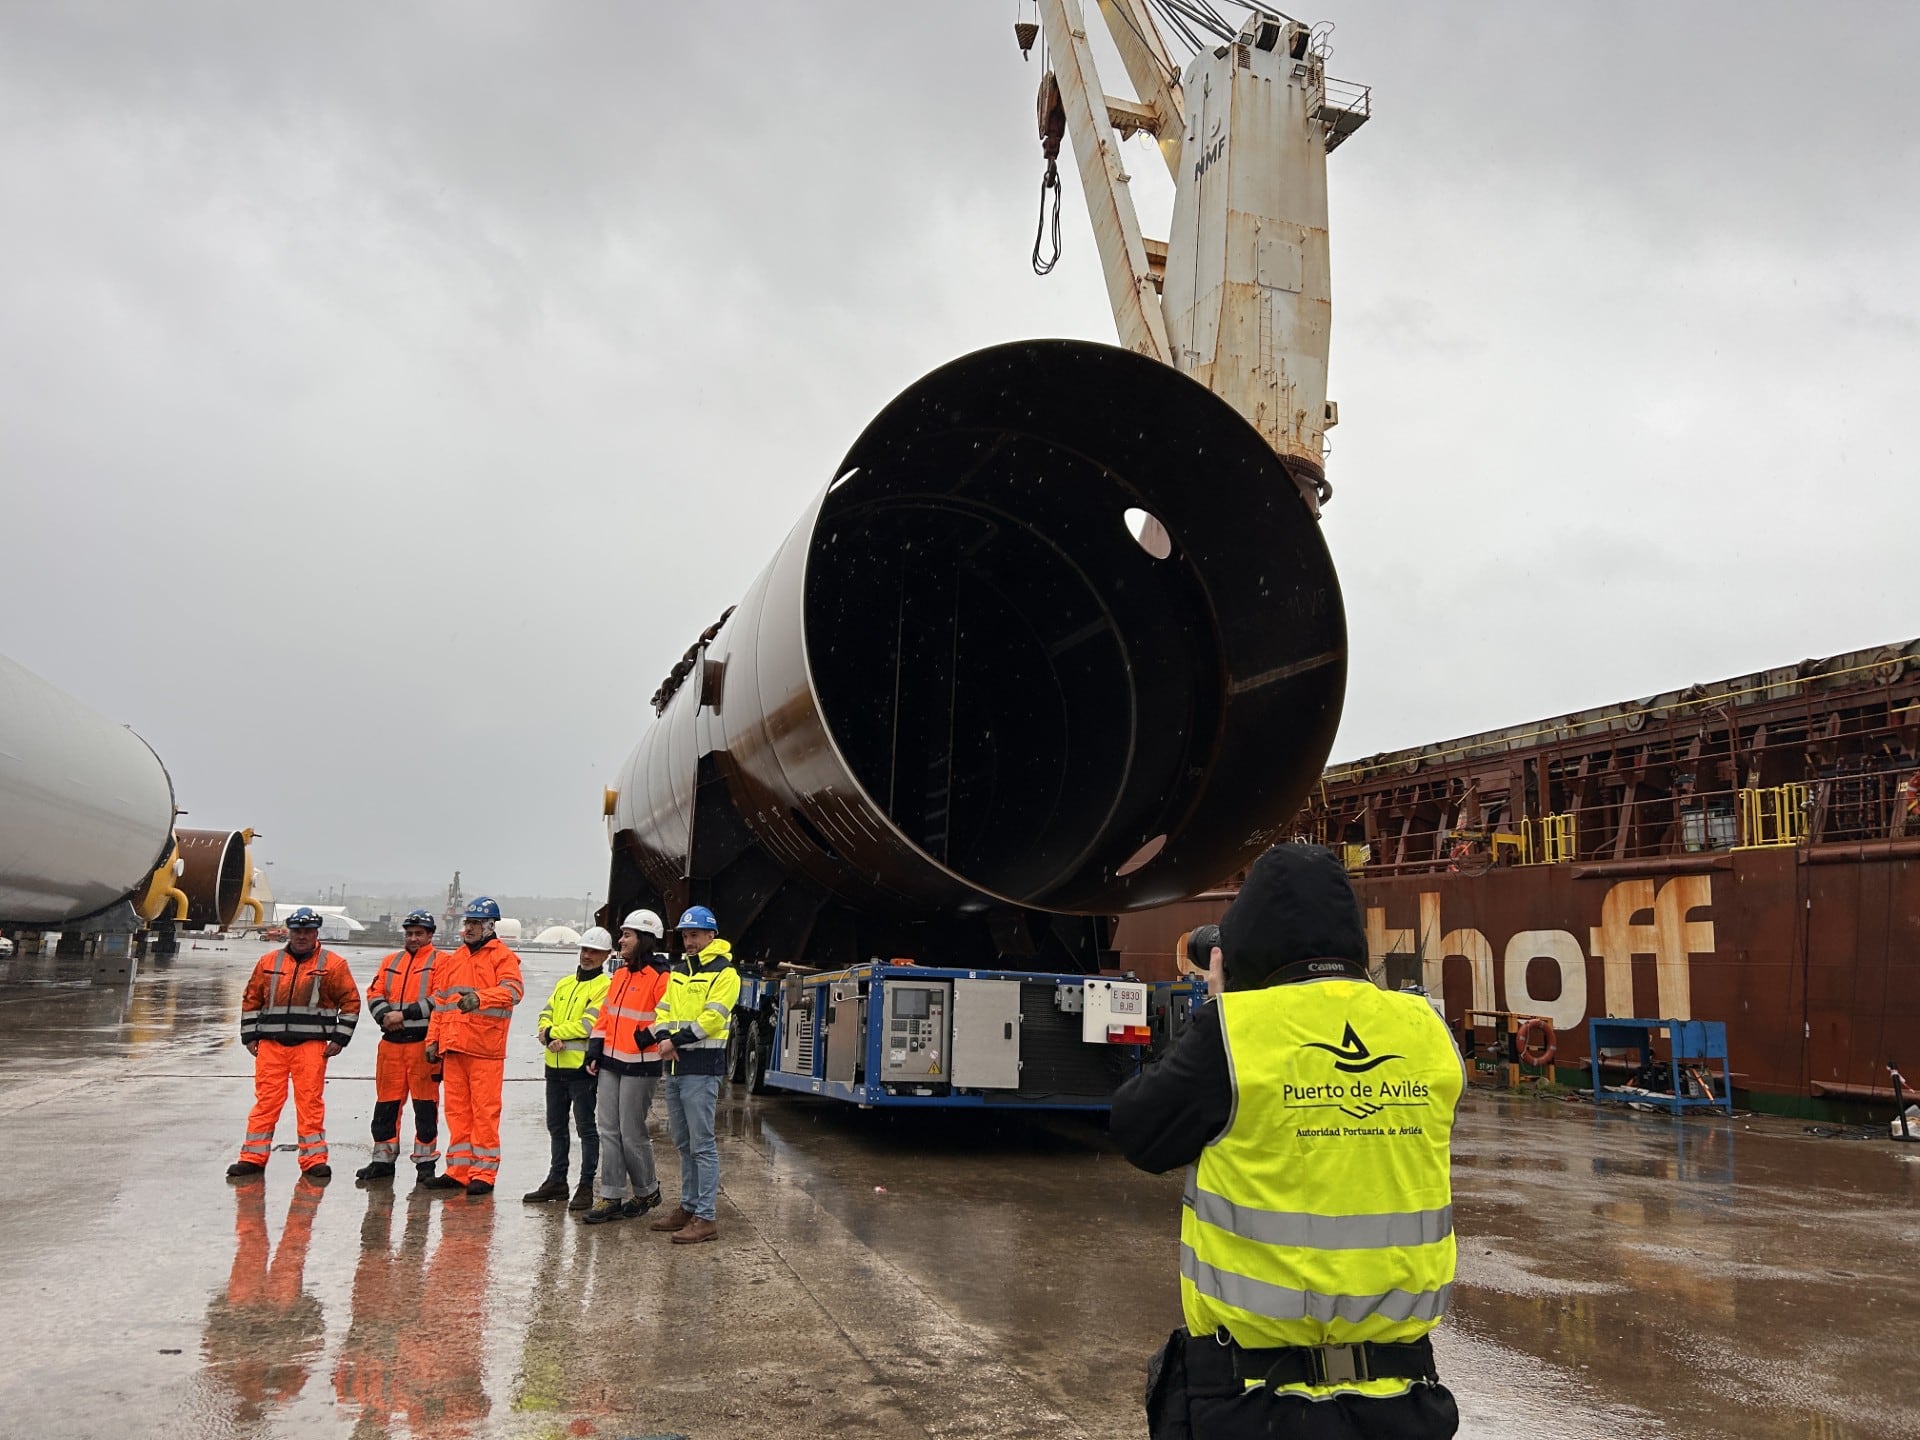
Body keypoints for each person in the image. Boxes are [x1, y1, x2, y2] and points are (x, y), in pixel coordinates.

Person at [1110, 844, 1465, 1440]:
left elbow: (1138, 1131)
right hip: (1404, 1399)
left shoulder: (1235, 1032)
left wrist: (1221, 1009)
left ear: (1246, 941)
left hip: (1258, 1400)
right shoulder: (1426, 1030)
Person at [229, 907, 361, 1182]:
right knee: (266, 1102)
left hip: (311, 1047)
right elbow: (251, 1000)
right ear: (290, 931)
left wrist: (340, 1038)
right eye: (297, 931)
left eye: (307, 931)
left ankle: (314, 1160)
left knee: (310, 1103)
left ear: (316, 933)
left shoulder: (333, 964)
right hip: (271, 1045)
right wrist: (249, 1036)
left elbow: (350, 1002)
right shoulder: (268, 962)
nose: (302, 936)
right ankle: (252, 1157)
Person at [641, 905, 739, 1244]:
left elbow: (713, 1018)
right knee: (684, 1143)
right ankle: (688, 1206)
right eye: (685, 936)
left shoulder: (725, 973)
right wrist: (662, 1039)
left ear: (711, 935)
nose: (689, 941)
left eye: (694, 935)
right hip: (676, 1066)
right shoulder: (680, 971)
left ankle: (706, 1217)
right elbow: (663, 1010)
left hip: (702, 1068)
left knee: (702, 1145)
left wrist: (674, 1041)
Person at [421, 896, 524, 1197]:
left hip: (485, 1049)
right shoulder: (455, 959)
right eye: (468, 923)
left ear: (490, 926)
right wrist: (432, 1040)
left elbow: (514, 991)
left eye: (475, 923)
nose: (469, 928)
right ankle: (458, 1171)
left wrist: (481, 998)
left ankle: (484, 1173)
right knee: (457, 1113)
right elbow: (441, 1003)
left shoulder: (502, 957)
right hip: (454, 1048)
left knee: (484, 1113)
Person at [579, 910, 671, 1225]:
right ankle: (611, 1195)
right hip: (610, 1062)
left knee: (631, 1132)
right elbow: (605, 1015)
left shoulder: (661, 976)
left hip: (640, 1065)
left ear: (644, 939)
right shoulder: (620, 975)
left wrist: (645, 1036)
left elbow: (669, 1016)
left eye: (627, 935)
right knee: (608, 1130)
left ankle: (647, 1190)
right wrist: (595, 1049)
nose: (621, 941)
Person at [522, 926, 614, 1210]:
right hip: (554, 1066)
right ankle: (557, 1180)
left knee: (586, 1128)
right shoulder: (564, 984)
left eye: (594, 952)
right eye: (585, 949)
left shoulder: (605, 987)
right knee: (556, 1126)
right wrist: (547, 1034)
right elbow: (545, 1013)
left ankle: (585, 1185)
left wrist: (552, 1033)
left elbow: (588, 1025)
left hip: (581, 1070)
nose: (587, 955)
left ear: (606, 956)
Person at [357, 909, 444, 1185]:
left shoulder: (442, 962)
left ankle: (425, 1163)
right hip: (391, 1046)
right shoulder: (390, 961)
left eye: (419, 933)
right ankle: (382, 1161)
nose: (413, 938)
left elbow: (441, 998)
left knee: (425, 1107)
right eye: (409, 933)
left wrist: (403, 1015)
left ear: (430, 935)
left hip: (422, 1046)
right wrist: (385, 1016)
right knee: (386, 1105)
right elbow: (374, 993)